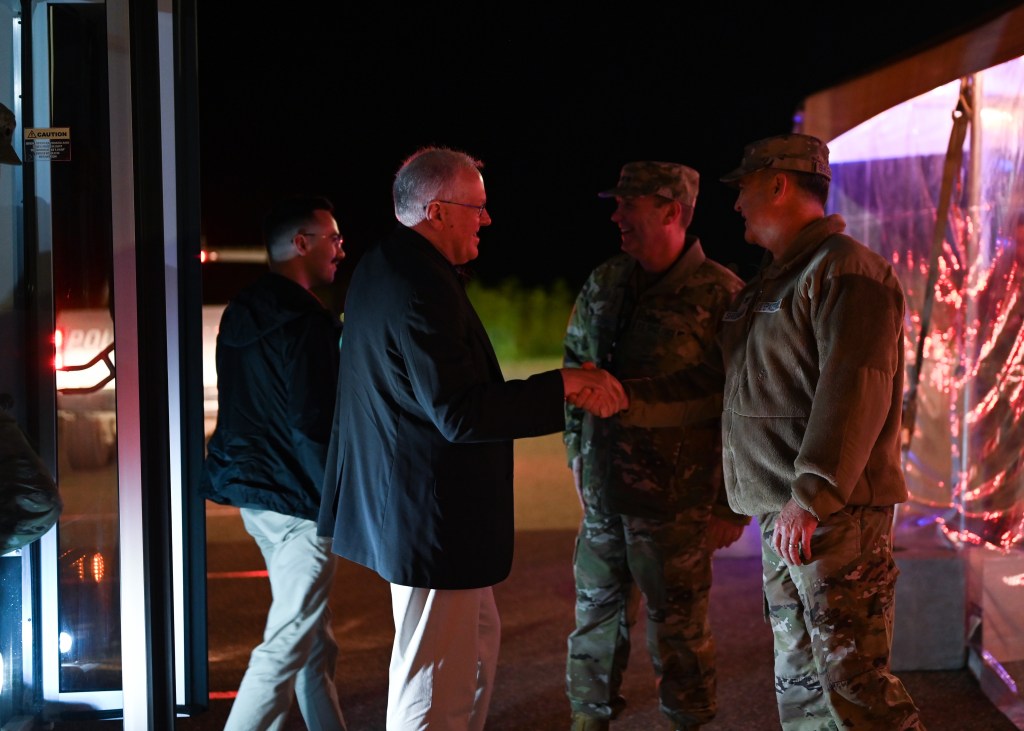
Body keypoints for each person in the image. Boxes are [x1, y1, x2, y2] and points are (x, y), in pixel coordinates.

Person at [584, 134, 925, 730]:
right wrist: (621, 396)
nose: (737, 203)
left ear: (779, 185)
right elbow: (717, 383)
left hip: (831, 517)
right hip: (786, 517)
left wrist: (810, 496)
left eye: (744, 188)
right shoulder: (771, 282)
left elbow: (854, 391)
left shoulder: (847, 270)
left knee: (857, 688)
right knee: (802, 688)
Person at [316, 145, 624, 731]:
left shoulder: (385, 264)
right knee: (432, 685)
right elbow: (459, 413)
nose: (487, 219)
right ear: (437, 211)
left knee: (474, 649)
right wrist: (563, 385)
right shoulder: (420, 284)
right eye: (476, 207)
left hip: (415, 513)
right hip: (431, 521)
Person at [563, 161, 749, 731]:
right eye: (617, 203)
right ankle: (587, 719)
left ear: (671, 211)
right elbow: (574, 369)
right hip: (604, 494)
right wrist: (576, 454)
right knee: (594, 619)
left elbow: (743, 408)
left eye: (630, 204)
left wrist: (730, 505)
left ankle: (688, 722)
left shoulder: (722, 295)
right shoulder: (606, 282)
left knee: (679, 630)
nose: (617, 215)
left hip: (677, 506)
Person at [201, 195, 348, 731]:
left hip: (256, 496)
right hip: (299, 502)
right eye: (333, 238)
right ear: (301, 244)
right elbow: (312, 420)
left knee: (312, 642)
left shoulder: (241, 312)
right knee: (286, 644)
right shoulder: (305, 322)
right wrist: (333, 501)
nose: (341, 250)